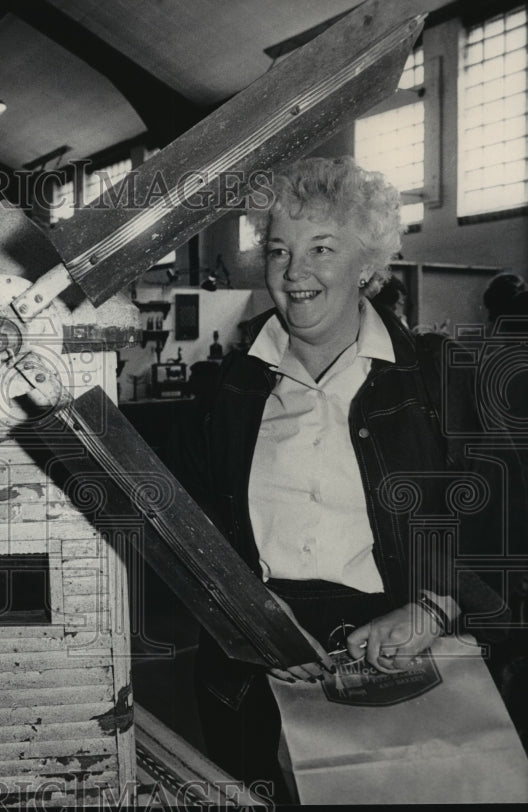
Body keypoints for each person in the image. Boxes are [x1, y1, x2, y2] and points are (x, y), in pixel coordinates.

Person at [182, 157, 514, 799]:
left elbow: (504, 526)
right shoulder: (228, 388)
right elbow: (190, 531)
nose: (295, 272)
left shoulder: (441, 379)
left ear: (367, 265)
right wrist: (248, 613)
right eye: (279, 250)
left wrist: (434, 607)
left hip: (403, 658)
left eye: (321, 249)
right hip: (257, 666)